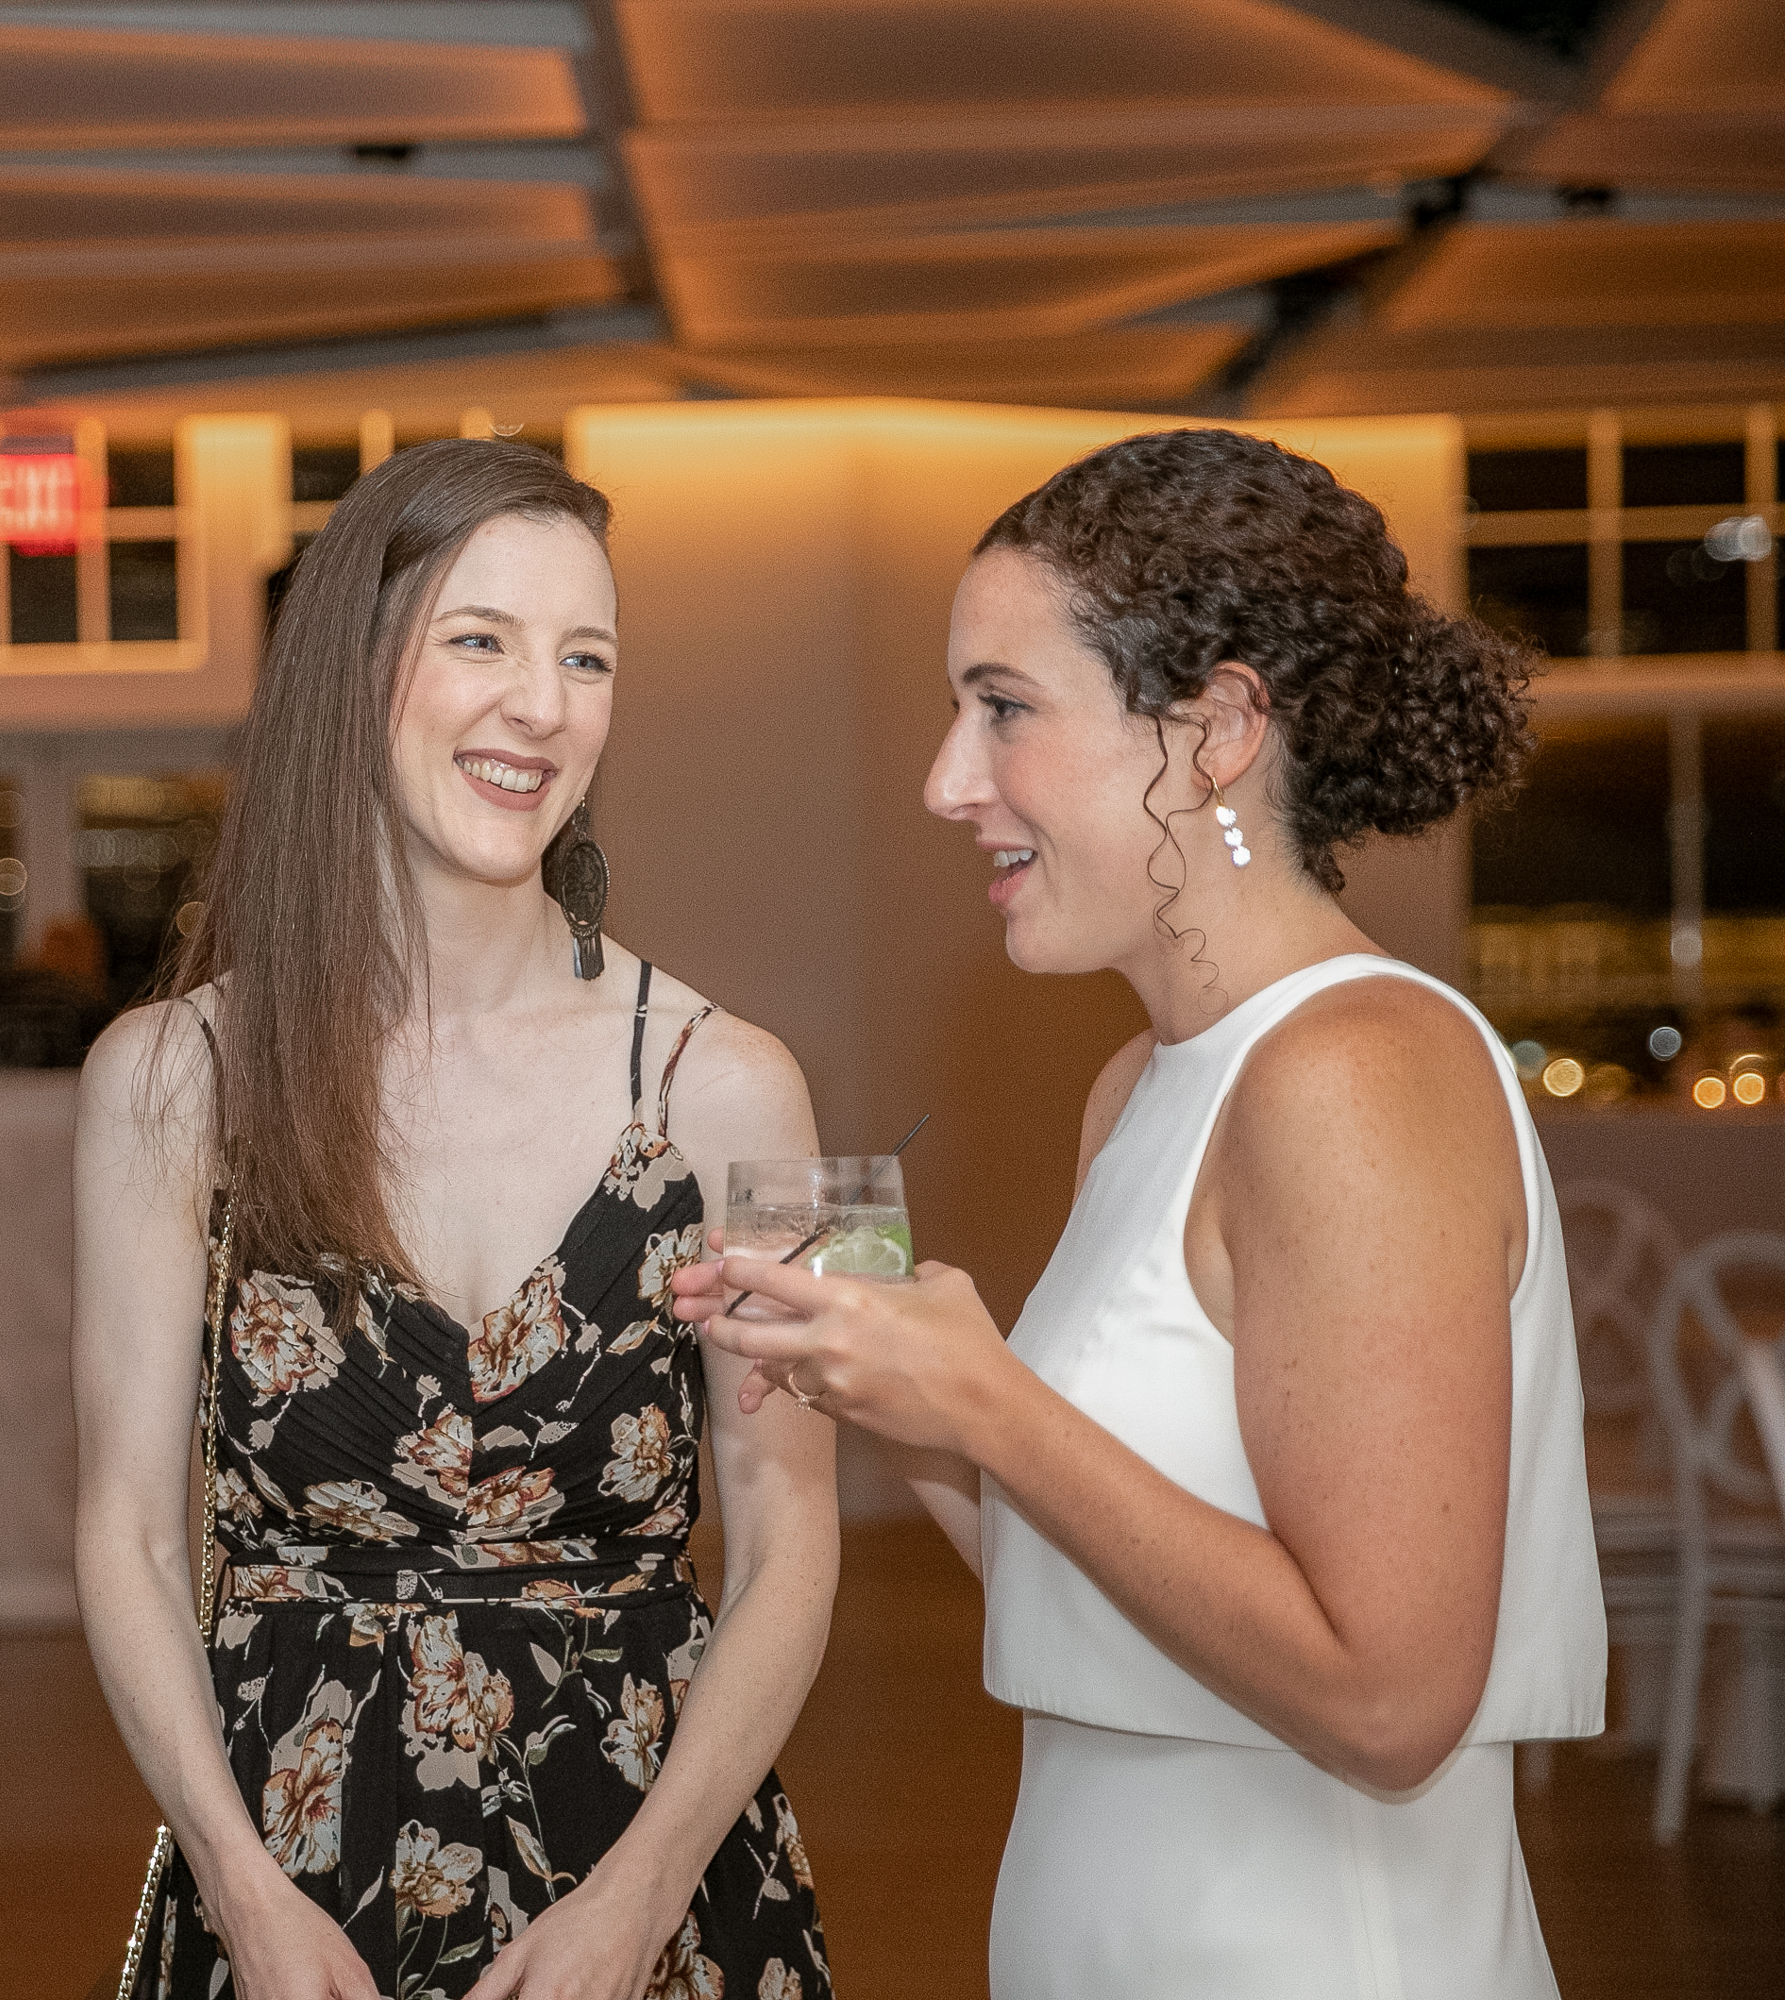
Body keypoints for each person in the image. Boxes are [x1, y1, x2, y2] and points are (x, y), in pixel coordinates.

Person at [672, 429, 1604, 1997]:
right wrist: (898, 1401)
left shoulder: (1356, 1073)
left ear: (1217, 728)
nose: (947, 781)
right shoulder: (1142, 1086)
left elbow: (1390, 1703)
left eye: (1005, 708)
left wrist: (991, 1400)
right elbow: (1102, 1603)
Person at [76, 440, 840, 2000]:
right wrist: (241, 1892)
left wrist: (640, 1903)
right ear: (349, 674)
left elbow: (792, 1541)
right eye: (480, 640)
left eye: (586, 658)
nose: (542, 705)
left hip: (650, 1870)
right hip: (287, 1883)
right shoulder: (168, 1079)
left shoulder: (742, 1091)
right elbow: (131, 1532)